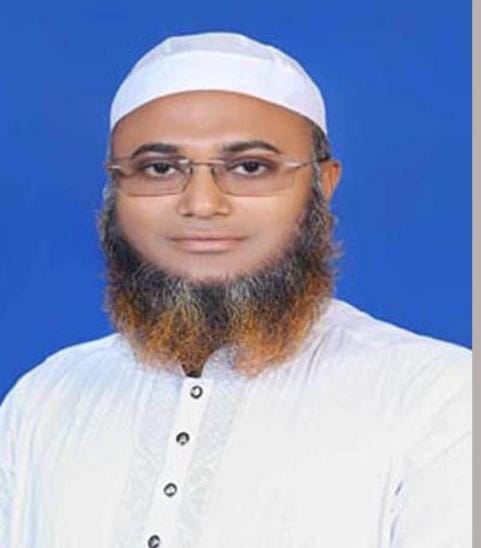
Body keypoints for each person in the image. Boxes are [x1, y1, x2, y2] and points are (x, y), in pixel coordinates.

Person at [0, 32, 471, 548]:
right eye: (160, 169)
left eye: (250, 167)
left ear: (323, 183)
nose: (202, 204)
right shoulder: (47, 399)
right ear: (115, 189)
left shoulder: (438, 400)